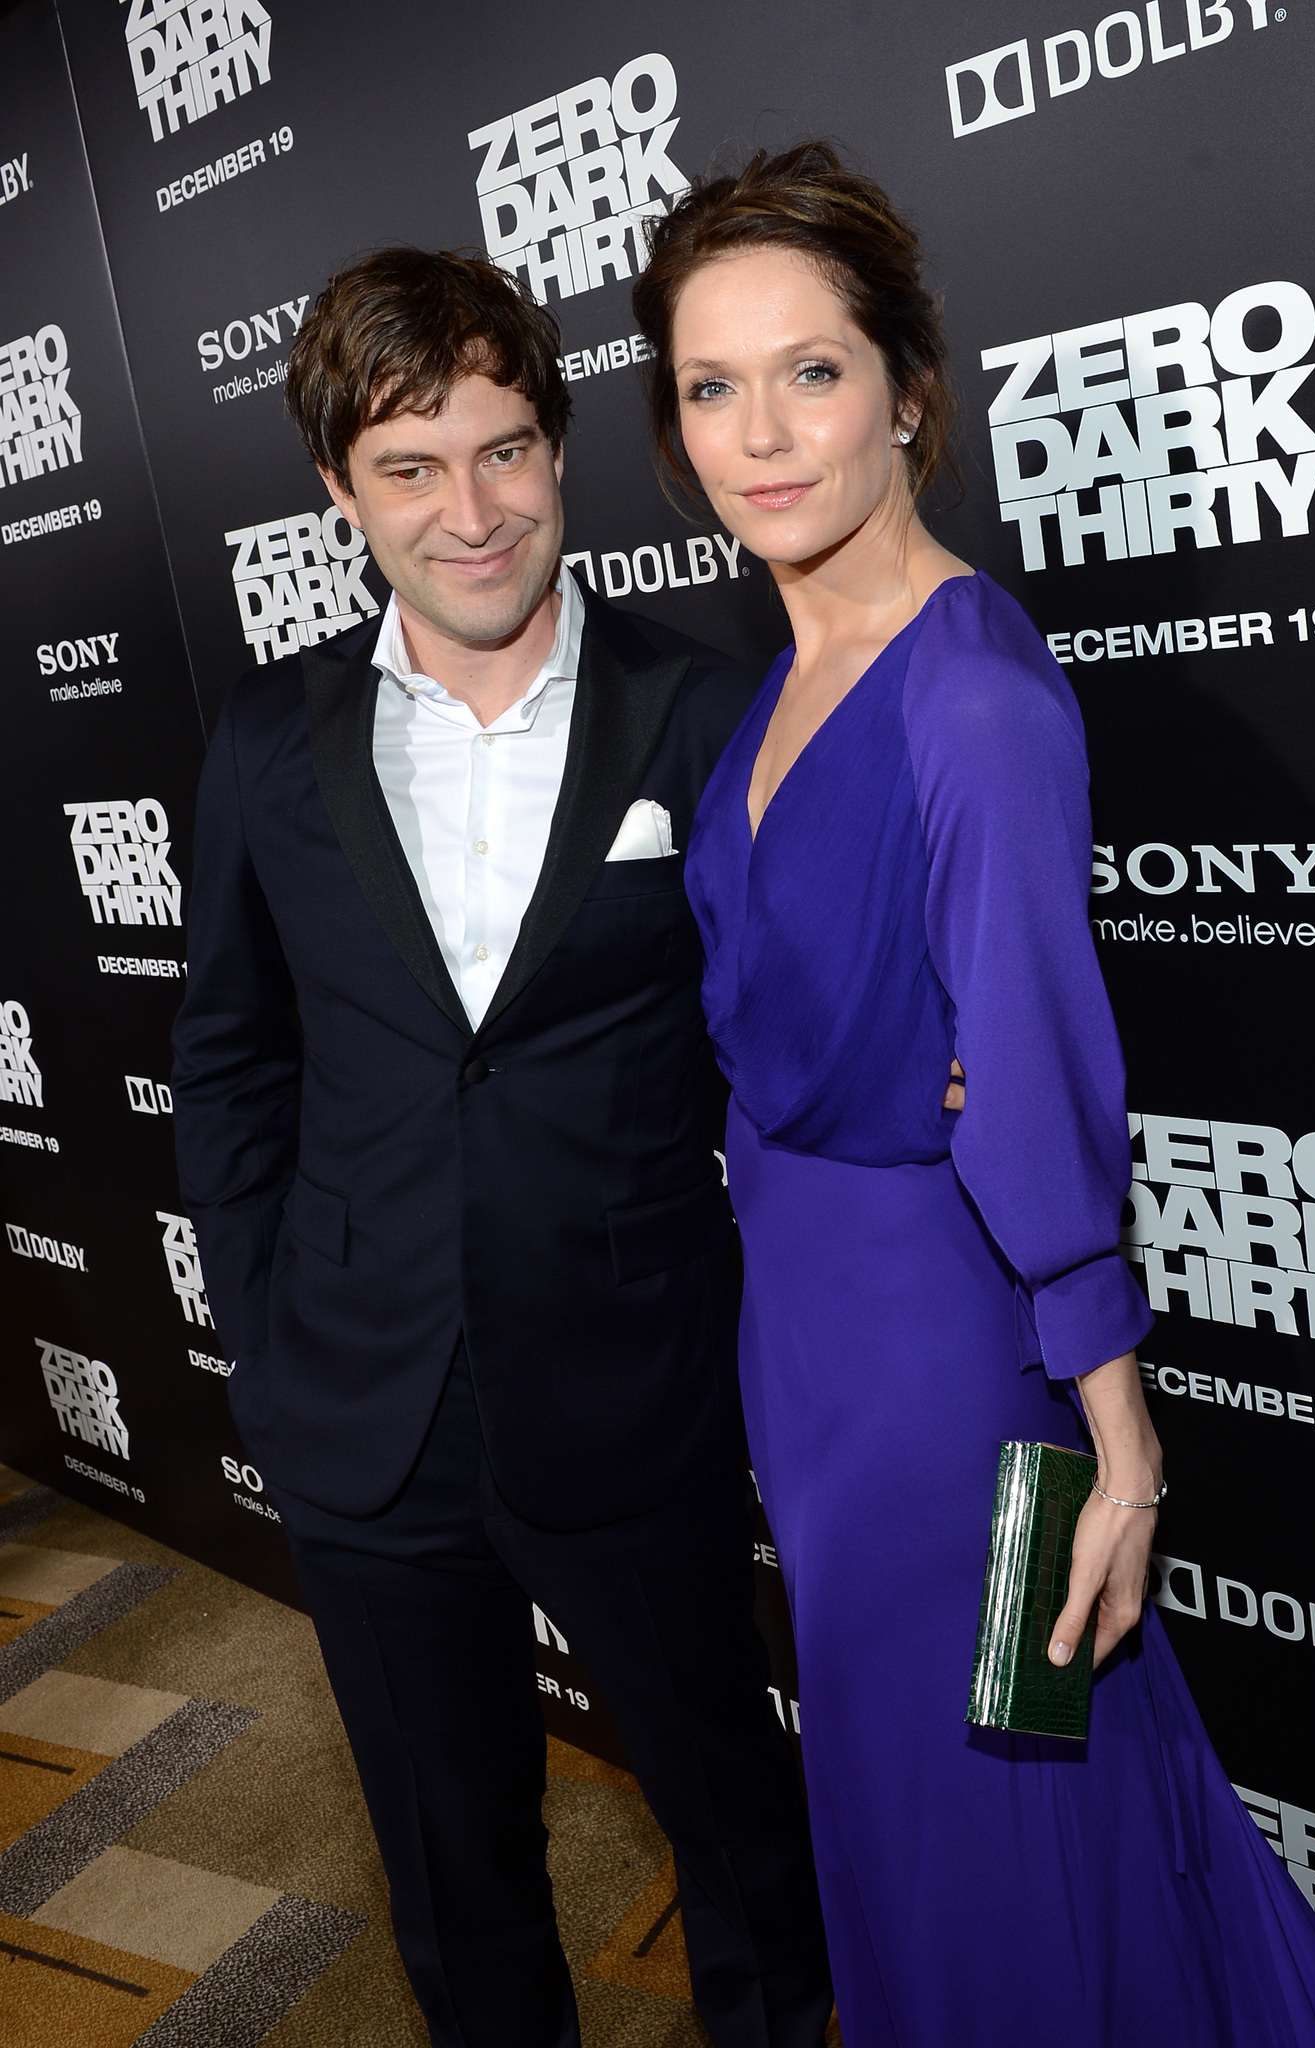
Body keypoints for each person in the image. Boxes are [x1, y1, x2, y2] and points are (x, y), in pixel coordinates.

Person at [631, 143, 1315, 2047]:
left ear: (906, 392)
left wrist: (1117, 1446)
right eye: (711, 385)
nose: (761, 432)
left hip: (966, 1368)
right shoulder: (790, 667)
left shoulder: (966, 698)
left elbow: (1030, 1093)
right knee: (908, 1793)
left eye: (811, 371)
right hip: (811, 1336)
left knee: (1015, 1795)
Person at [170, 246, 833, 2048]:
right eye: (408, 466)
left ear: (559, 449)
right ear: (337, 493)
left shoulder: (704, 712)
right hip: (361, 1411)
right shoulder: (264, 744)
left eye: (507, 451)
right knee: (453, 1871)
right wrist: (272, 1332)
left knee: (741, 1843)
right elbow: (228, 1062)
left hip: (630, 1389)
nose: (471, 513)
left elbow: (795, 1044)